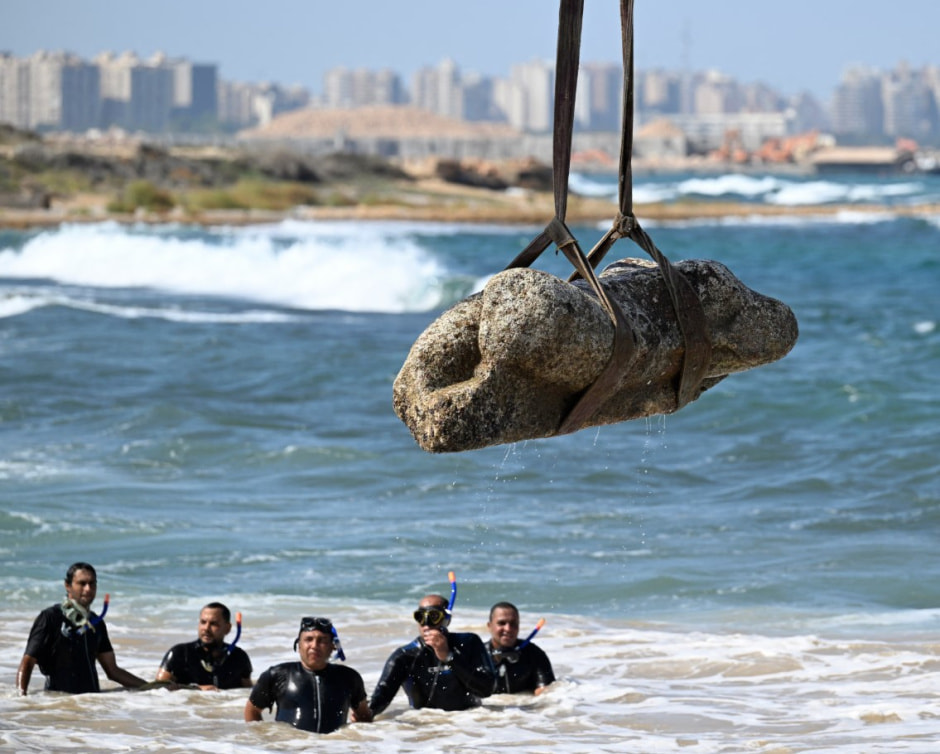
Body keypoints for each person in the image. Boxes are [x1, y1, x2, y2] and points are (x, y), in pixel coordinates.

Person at [17, 562, 146, 695]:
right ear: (68, 586)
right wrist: (21, 699)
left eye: (92, 583)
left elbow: (113, 671)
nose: (88, 589)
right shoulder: (50, 618)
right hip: (58, 705)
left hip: (90, 705)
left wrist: (151, 688)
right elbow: (28, 662)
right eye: (82, 583)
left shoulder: (97, 623)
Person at [369, 593, 496, 716]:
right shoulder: (405, 656)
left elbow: (486, 689)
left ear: (447, 620)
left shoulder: (469, 643)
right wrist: (365, 714)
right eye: (420, 617)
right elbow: (381, 698)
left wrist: (449, 657)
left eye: (433, 616)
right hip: (427, 726)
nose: (426, 624)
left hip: (469, 724)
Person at [244, 616, 372, 734]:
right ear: (299, 645)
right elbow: (252, 711)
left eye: (322, 640)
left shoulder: (348, 677)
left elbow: (364, 716)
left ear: (333, 646)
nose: (314, 646)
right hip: (291, 748)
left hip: (333, 747)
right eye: (308, 639)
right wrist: (263, 742)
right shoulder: (277, 674)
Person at [155, 602, 252, 690]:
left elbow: (248, 693)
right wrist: (196, 689)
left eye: (213, 624)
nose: (206, 628)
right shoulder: (179, 653)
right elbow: (157, 688)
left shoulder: (239, 657)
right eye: (203, 622)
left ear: (227, 628)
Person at [485, 601, 555, 695]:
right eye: (502, 623)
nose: (508, 629)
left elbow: (546, 692)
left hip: (523, 708)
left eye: (513, 624)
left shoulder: (534, 653)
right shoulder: (475, 655)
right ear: (489, 626)